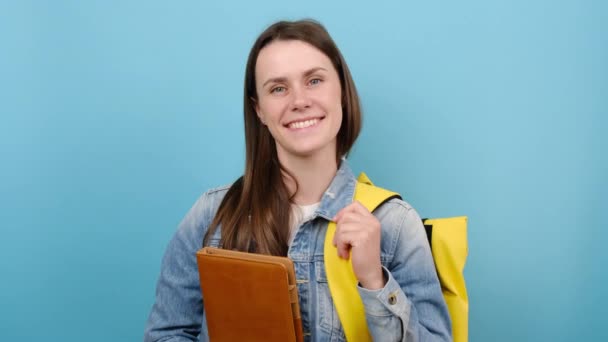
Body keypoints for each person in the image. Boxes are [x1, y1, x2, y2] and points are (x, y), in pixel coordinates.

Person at [144, 19, 451, 342]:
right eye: (278, 88)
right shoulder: (211, 215)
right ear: (259, 109)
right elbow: (167, 333)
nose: (299, 100)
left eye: (314, 80)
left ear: (342, 91)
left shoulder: (396, 224)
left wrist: (374, 280)